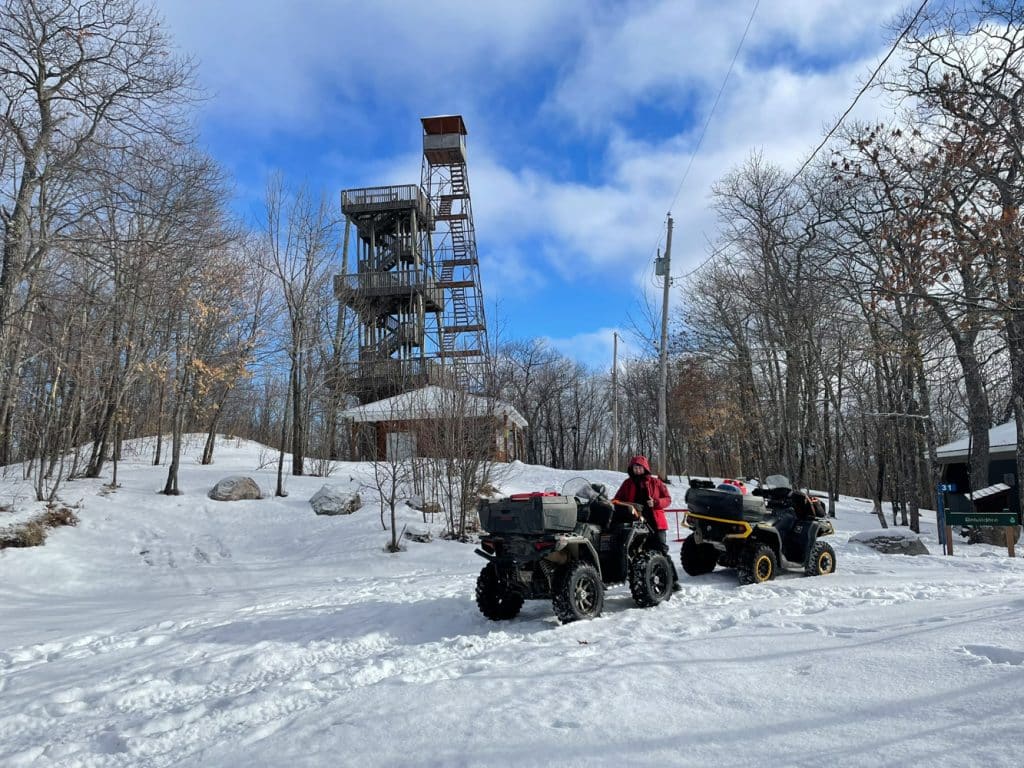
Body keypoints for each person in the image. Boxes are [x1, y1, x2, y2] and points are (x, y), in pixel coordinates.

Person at [613, 455, 681, 590]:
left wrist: (655, 502)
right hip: (636, 523)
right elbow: (617, 499)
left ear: (645, 468)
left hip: (656, 522)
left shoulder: (656, 482)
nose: (637, 470)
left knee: (661, 550)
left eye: (639, 468)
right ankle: (644, 581)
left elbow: (667, 499)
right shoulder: (627, 484)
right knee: (640, 552)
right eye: (635, 468)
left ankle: (672, 580)